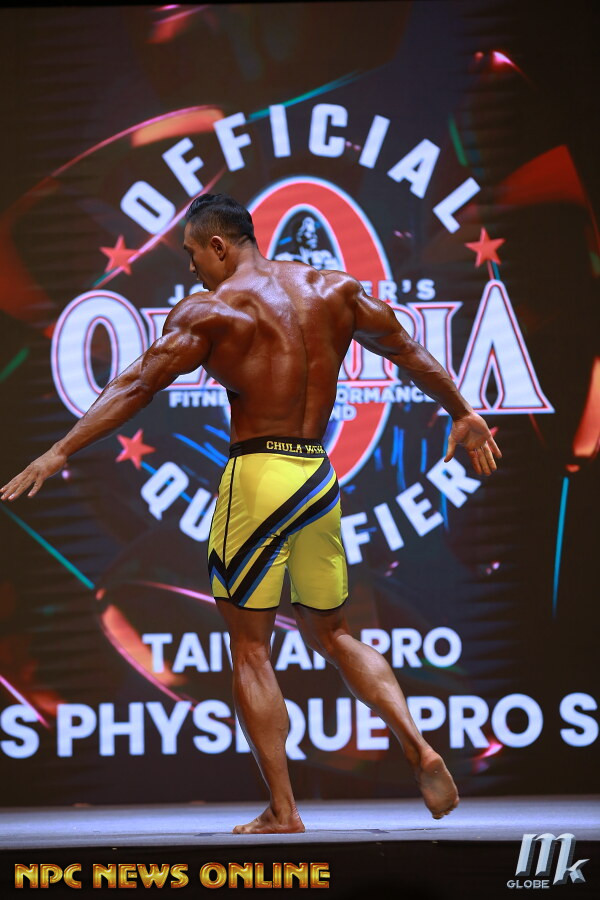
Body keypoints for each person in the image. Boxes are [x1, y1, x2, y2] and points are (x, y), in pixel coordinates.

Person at [1, 193, 501, 835]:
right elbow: (405, 348)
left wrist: (59, 451)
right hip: (317, 477)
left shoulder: (214, 309)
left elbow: (137, 384)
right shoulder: (335, 289)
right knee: (337, 633)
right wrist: (463, 410)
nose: (191, 269)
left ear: (219, 245)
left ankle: (284, 810)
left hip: (259, 476)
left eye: (192, 254)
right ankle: (419, 744)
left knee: (251, 648)